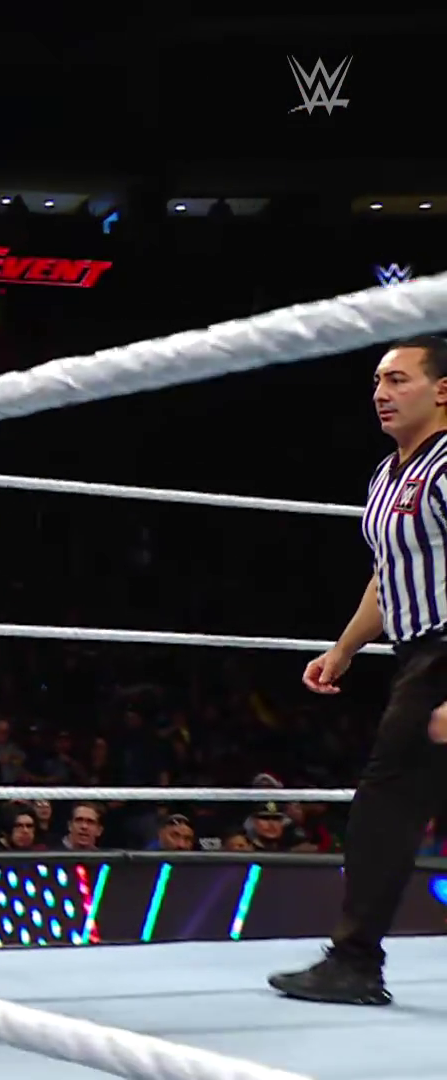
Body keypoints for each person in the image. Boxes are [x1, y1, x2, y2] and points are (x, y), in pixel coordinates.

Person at [271, 336, 447, 1007]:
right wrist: (343, 649)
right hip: (414, 655)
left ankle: (354, 961)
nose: (381, 392)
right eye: (377, 380)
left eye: (398, 379)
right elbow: (388, 575)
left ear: (443, 390)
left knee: (385, 804)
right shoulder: (386, 476)